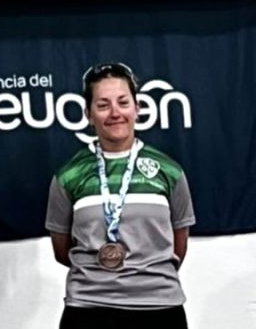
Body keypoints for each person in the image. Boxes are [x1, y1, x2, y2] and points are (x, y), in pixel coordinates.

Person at [45, 62, 195, 328]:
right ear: (89, 114)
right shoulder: (68, 175)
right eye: (103, 105)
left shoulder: (169, 171)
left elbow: (178, 245)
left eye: (123, 102)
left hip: (160, 308)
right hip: (88, 309)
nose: (115, 113)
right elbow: (62, 250)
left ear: (137, 108)